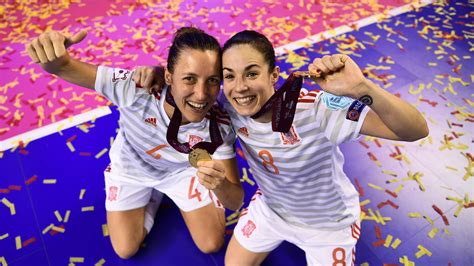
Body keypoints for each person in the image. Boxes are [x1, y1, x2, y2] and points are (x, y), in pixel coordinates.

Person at [25, 27, 244, 259]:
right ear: (168, 76)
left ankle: (161, 191)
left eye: (212, 81)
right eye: (189, 78)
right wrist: (52, 59)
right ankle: (152, 193)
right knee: (125, 249)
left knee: (210, 244)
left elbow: (236, 200)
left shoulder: (219, 125)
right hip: (131, 168)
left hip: (181, 172)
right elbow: (64, 67)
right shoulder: (134, 86)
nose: (201, 94)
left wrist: (219, 184)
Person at [219, 30, 429, 265]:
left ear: (273, 75)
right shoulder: (230, 110)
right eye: (229, 76)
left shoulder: (316, 109)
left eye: (252, 73)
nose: (239, 87)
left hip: (329, 224)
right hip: (272, 210)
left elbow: (416, 130)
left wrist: (362, 87)